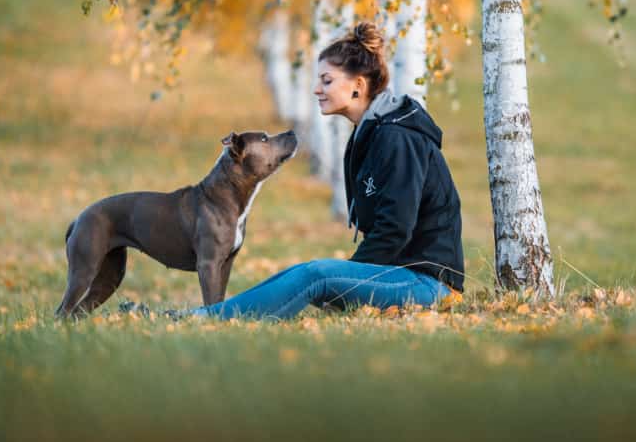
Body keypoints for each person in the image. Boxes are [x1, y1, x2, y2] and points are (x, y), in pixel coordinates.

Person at [188, 21, 465, 320]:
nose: (317, 89)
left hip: (430, 285)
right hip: (400, 275)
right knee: (304, 272)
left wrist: (349, 279)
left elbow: (395, 229)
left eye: (327, 80)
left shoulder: (397, 138)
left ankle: (208, 318)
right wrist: (348, 277)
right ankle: (211, 314)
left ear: (358, 85)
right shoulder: (373, 133)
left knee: (316, 274)